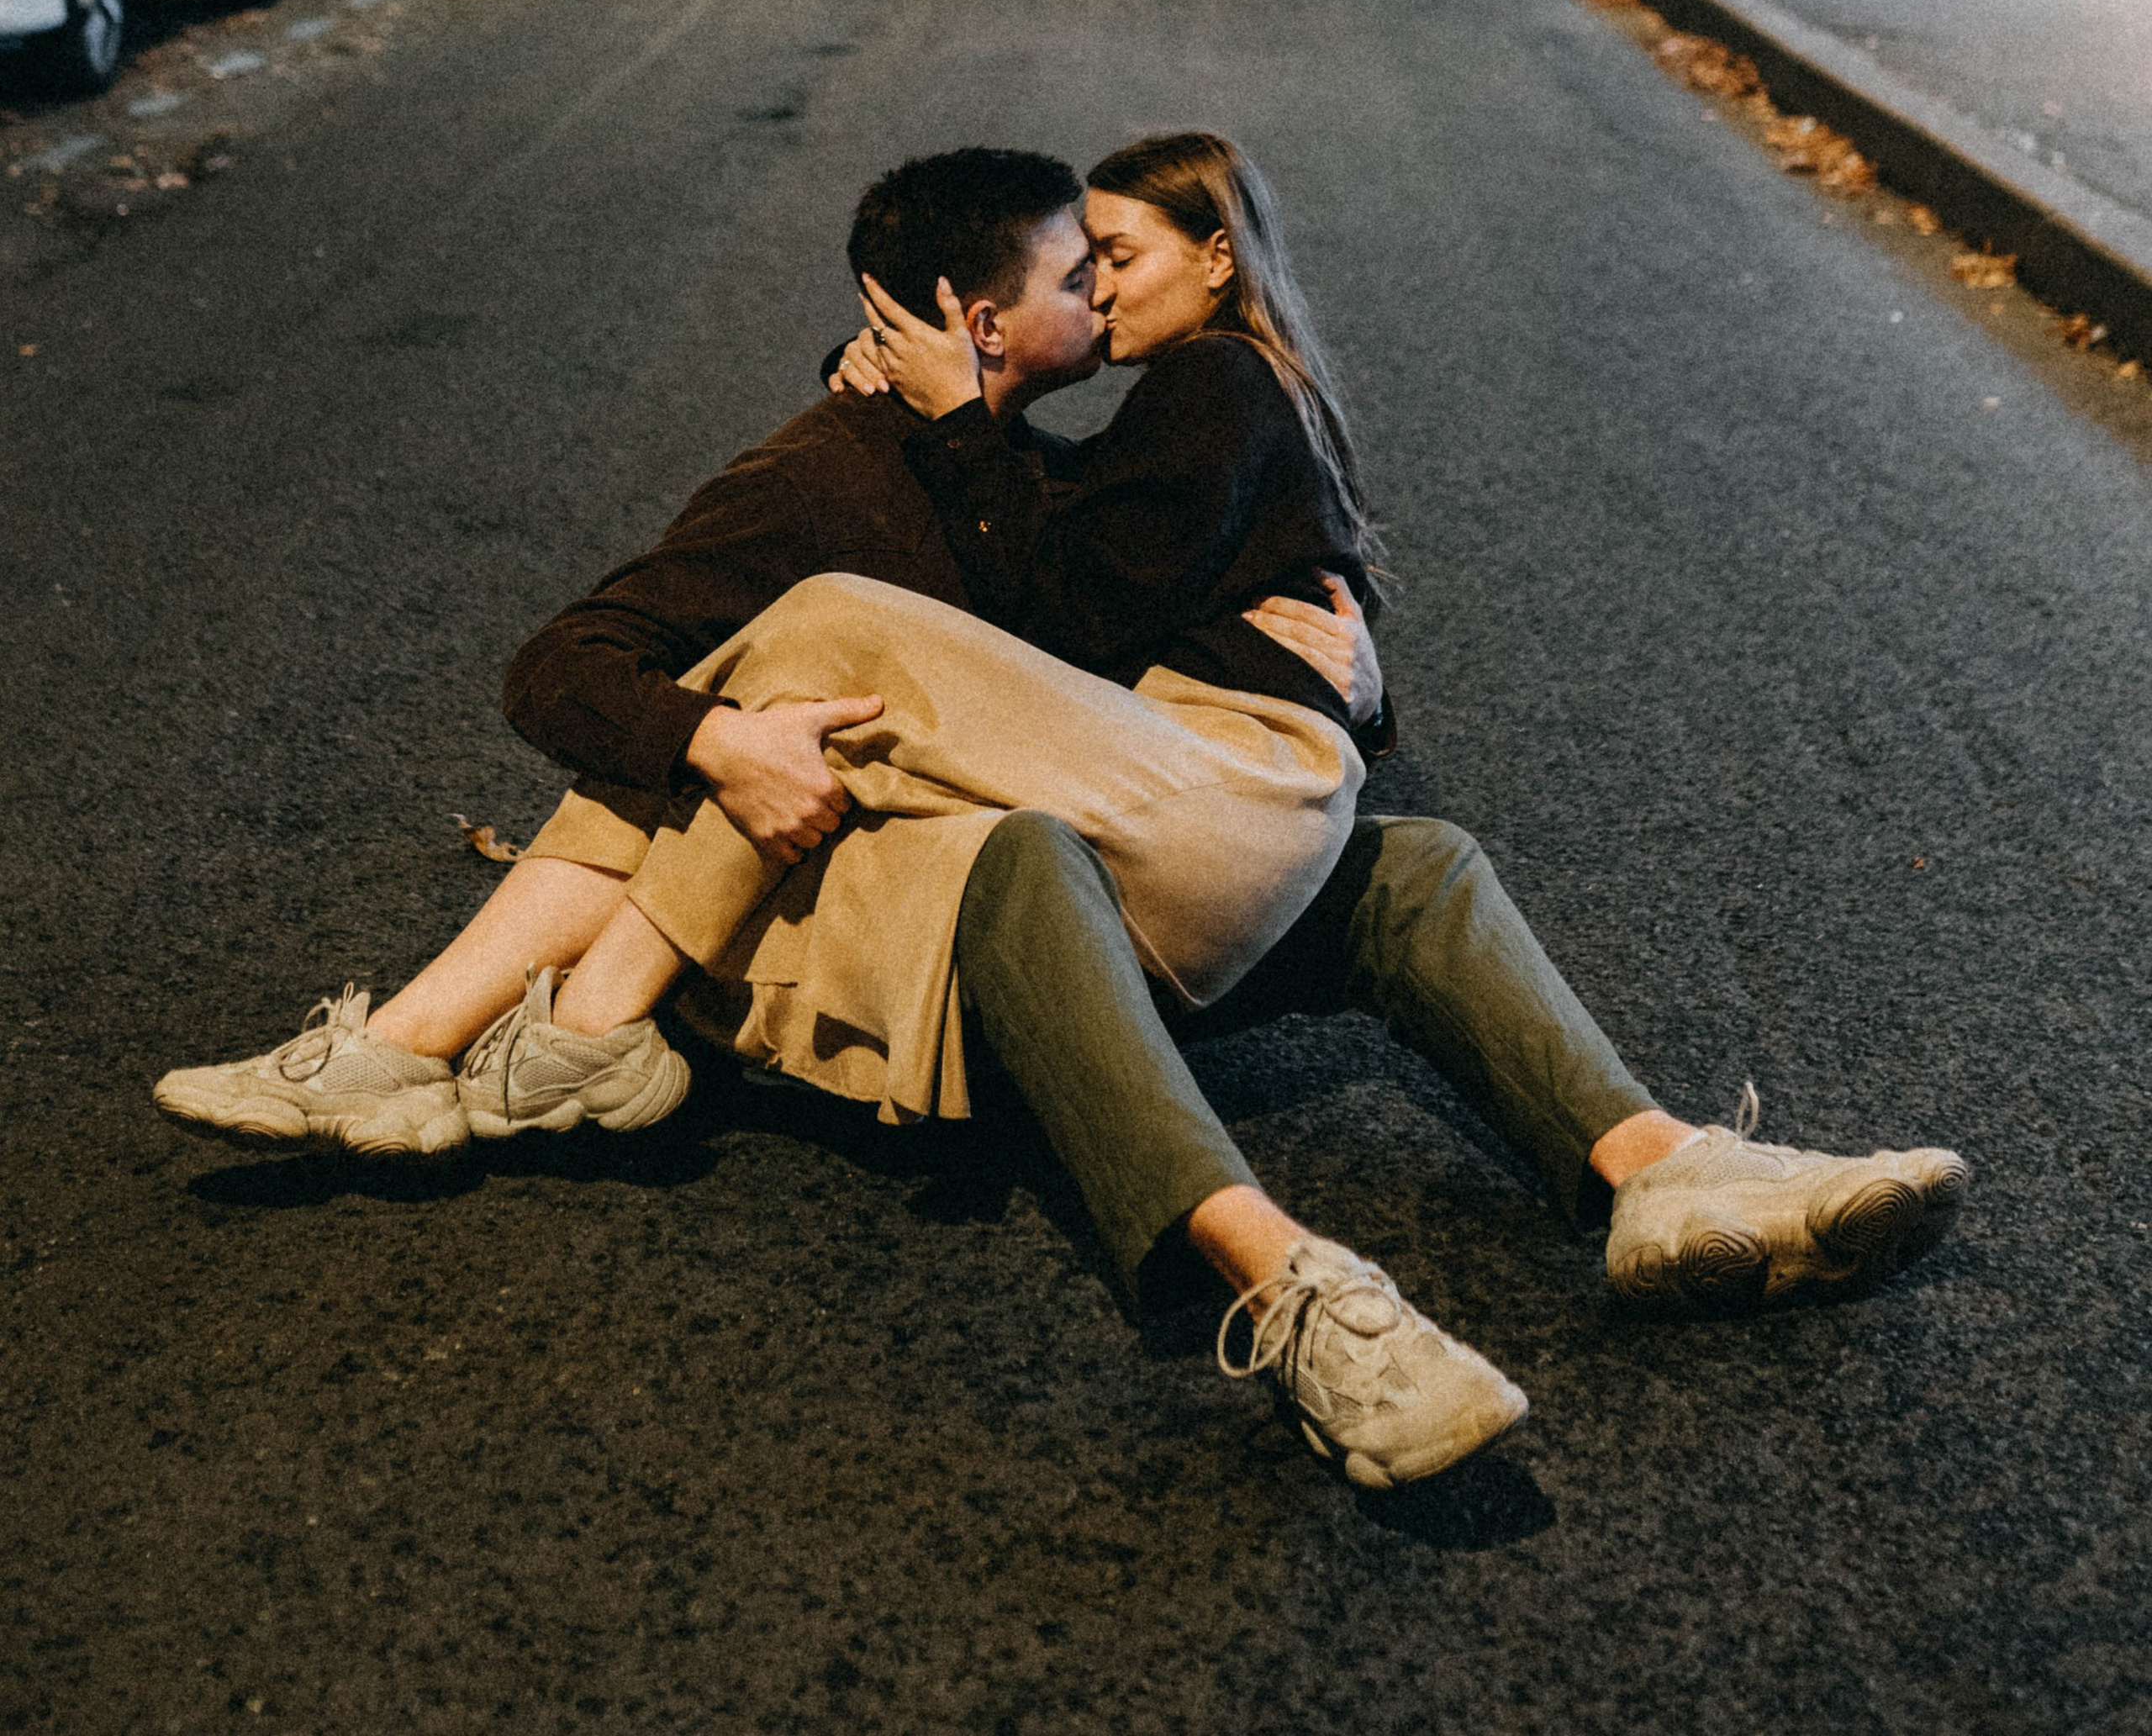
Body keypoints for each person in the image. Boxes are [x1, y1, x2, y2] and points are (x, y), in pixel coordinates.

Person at [156, 142, 1968, 1493]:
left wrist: (1346, 675)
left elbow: (1167, 598)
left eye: (1113, 265)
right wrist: (721, 748)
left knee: (1407, 861)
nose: (1095, 303)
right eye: (1070, 274)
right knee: (875, 704)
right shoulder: (829, 465)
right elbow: (565, 666)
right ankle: (1295, 1290)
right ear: (974, 314)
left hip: (1146, 854)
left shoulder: (1049, 464)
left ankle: (1655, 1168)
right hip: (888, 913)